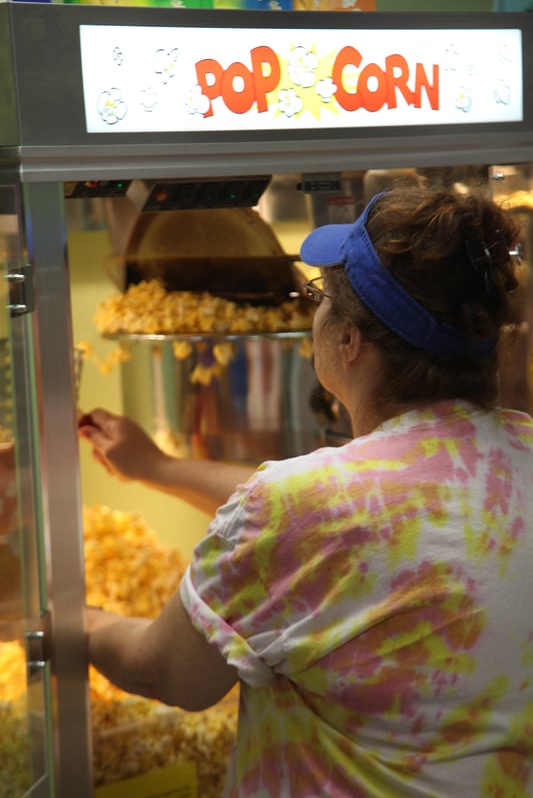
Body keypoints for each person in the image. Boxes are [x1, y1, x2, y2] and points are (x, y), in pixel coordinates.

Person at [81, 185, 533, 798]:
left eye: (321, 296)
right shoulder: (516, 453)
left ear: (349, 342)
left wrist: (68, 621)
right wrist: (159, 467)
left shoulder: (301, 510)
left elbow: (170, 675)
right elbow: (360, 512)